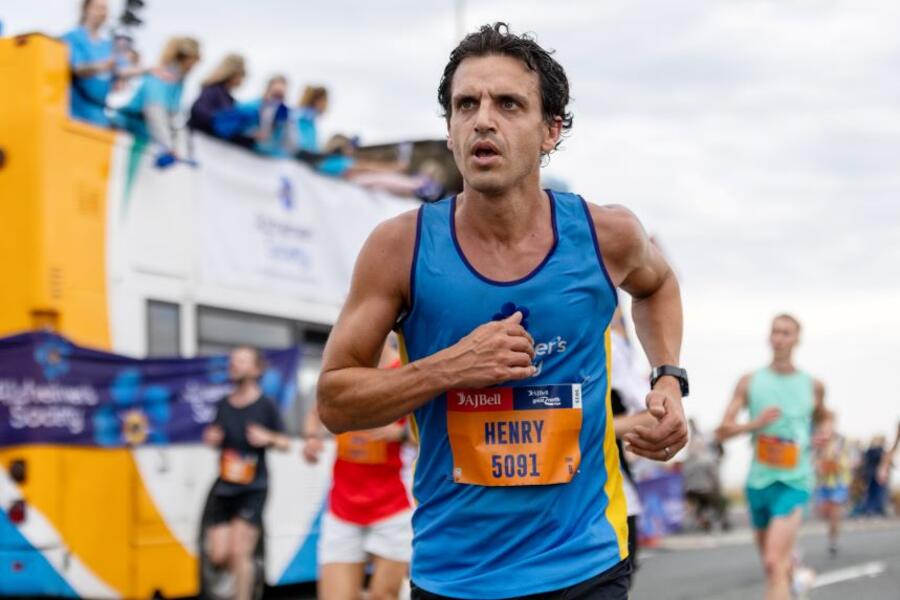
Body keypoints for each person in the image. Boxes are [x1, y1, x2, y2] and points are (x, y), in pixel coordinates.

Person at [316, 22, 689, 600]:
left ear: (550, 131)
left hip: (584, 562)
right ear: (449, 130)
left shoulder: (604, 234)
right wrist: (450, 367)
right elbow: (334, 401)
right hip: (455, 574)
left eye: (508, 104)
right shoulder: (400, 247)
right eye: (466, 105)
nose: (482, 119)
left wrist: (667, 377)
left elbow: (658, 285)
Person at [716, 314, 827, 600]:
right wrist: (756, 424)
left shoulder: (812, 385)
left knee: (772, 562)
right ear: (768, 337)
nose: (779, 338)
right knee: (774, 562)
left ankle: (790, 577)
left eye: (786, 333)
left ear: (797, 339)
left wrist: (822, 435)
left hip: (795, 480)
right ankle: (798, 577)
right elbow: (722, 431)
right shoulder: (749, 381)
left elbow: (824, 418)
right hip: (758, 481)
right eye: (775, 332)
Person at [303, 337, 413, 600]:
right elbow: (318, 409)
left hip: (392, 507)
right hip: (343, 507)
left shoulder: (404, 371)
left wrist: (398, 434)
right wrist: (311, 438)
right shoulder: (344, 371)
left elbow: (429, 427)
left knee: (382, 595)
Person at [202, 346, 290, 600]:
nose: (234, 365)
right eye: (232, 361)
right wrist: (212, 438)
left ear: (255, 369)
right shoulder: (223, 404)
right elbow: (215, 437)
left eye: (240, 361)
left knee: (241, 552)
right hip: (224, 486)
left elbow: (286, 443)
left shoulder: (265, 405)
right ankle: (248, 576)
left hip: (254, 487)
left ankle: (243, 594)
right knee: (219, 554)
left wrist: (268, 438)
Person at [113, 36, 200, 157]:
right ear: (186, 59)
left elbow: (174, 118)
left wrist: (182, 148)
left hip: (144, 132)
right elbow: (154, 111)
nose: (195, 66)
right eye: (195, 61)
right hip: (126, 127)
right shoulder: (162, 74)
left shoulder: (179, 81)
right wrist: (168, 146)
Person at [62, 0, 114, 126]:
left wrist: (148, 70)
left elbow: (120, 71)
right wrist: (102, 66)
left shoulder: (108, 46)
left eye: (105, 9)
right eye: (99, 8)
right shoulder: (72, 37)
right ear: (86, 10)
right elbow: (77, 68)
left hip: (99, 117)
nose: (102, 13)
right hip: (75, 114)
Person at [188, 53, 254, 148]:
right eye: (242, 74)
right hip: (198, 143)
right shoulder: (212, 90)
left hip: (213, 146)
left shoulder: (229, 99)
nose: (242, 79)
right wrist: (219, 118)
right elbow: (198, 111)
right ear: (232, 73)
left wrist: (250, 139)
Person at [814, 411, 851, 556]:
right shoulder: (817, 441)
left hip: (838, 482)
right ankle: (832, 529)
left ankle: (833, 541)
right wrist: (819, 464)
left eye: (830, 424)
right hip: (823, 483)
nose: (827, 428)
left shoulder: (842, 440)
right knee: (824, 513)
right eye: (824, 425)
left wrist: (838, 463)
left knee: (835, 512)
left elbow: (849, 459)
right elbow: (813, 460)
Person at [294, 85, 328, 153]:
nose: (325, 105)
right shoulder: (304, 118)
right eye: (324, 101)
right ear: (317, 101)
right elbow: (303, 145)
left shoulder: (310, 119)